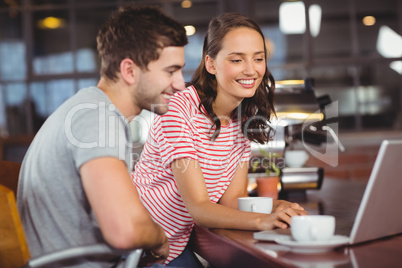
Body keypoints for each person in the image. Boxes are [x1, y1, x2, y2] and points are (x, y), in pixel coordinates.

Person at [17, 4, 188, 267]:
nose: (180, 83)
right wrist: (159, 239)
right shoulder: (97, 118)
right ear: (129, 71)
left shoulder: (91, 110)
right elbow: (125, 230)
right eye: (171, 71)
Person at [132, 12, 308, 267]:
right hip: (141, 246)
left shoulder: (241, 118)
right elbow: (200, 209)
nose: (251, 70)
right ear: (211, 64)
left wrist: (277, 207)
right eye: (237, 60)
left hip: (176, 242)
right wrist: (262, 220)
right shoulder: (179, 109)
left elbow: (231, 201)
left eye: (258, 59)